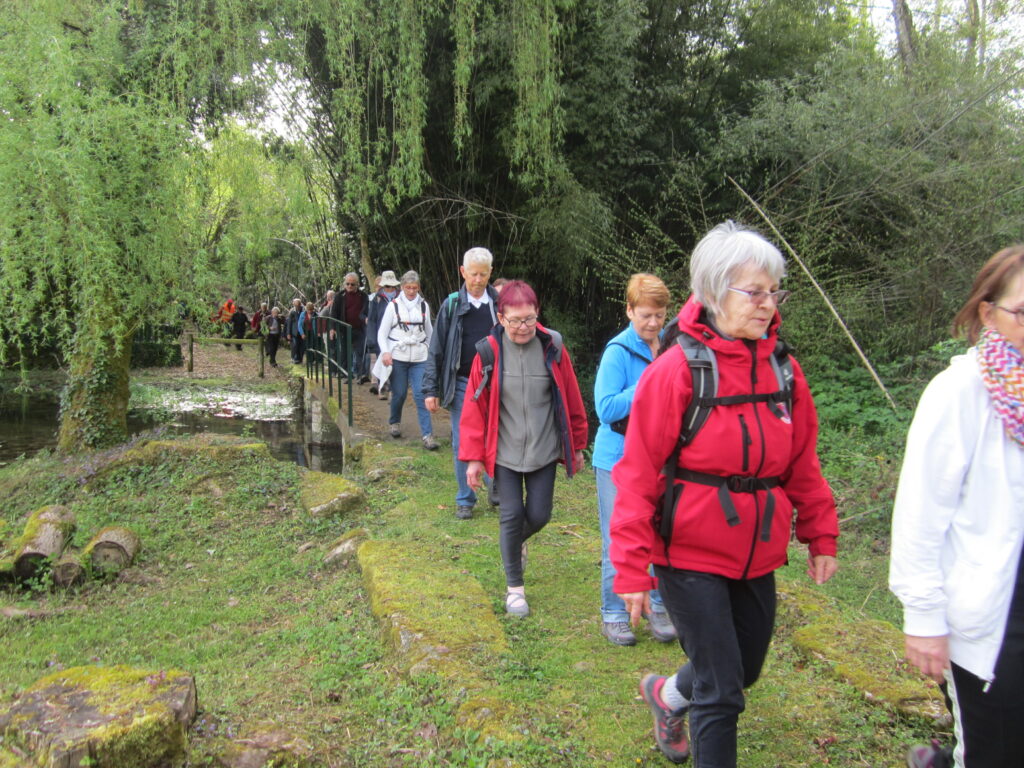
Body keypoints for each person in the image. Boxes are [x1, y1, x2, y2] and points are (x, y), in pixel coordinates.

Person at [610, 221, 838, 766]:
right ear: (713, 292)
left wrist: (819, 531)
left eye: (773, 291)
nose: (767, 304)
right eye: (753, 292)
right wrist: (631, 569)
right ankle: (689, 705)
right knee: (721, 690)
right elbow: (637, 473)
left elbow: (801, 460)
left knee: (745, 667)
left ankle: (666, 697)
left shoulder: (785, 369)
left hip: (755, 550)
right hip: (686, 552)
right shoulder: (676, 372)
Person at [890, 246, 1024, 768]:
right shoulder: (959, 393)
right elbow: (921, 513)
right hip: (995, 618)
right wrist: (922, 616)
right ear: (987, 313)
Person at [460, 280, 589, 617]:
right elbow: (474, 410)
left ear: (537, 315)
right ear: (501, 317)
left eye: (529, 319)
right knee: (511, 514)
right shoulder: (487, 352)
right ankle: (514, 589)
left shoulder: (553, 347)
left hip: (544, 449)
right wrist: (473, 459)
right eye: (515, 321)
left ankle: (513, 545)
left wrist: (576, 444)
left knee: (540, 514)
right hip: (503, 450)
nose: (523, 328)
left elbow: (572, 398)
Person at [593, 273, 677, 647]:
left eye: (659, 315)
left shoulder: (672, 349)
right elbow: (606, 408)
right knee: (618, 538)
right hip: (616, 459)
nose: (653, 323)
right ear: (629, 310)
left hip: (661, 460)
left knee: (661, 536)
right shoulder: (618, 352)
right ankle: (613, 614)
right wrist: (648, 385)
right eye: (645, 315)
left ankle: (658, 606)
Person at [423, 247, 500, 520]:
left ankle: (496, 489)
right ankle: (465, 499)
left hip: (495, 383)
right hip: (462, 383)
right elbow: (437, 348)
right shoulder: (452, 304)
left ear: (491, 273)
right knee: (462, 442)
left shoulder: (499, 304)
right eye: (473, 274)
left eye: (483, 274)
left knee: (497, 437)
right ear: (462, 272)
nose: (478, 280)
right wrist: (431, 389)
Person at [376, 270, 437, 450]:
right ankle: (394, 422)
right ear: (402, 287)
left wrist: (430, 351)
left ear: (418, 288)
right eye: (408, 287)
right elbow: (382, 333)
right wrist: (386, 352)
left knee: (421, 394)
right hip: (398, 356)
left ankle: (428, 435)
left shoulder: (424, 306)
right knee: (400, 393)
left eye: (415, 288)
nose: (411, 291)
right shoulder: (393, 306)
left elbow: (430, 332)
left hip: (419, 356)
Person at [330, 272, 369, 380]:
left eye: (352, 284)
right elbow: (334, 313)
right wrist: (332, 328)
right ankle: (345, 373)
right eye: (347, 284)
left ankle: (360, 374)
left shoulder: (363, 296)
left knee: (360, 351)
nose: (349, 286)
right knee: (345, 352)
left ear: (357, 284)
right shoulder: (339, 296)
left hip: (359, 328)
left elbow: (366, 310)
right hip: (344, 328)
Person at [367, 271, 400, 399]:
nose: (390, 289)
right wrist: (371, 338)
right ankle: (381, 388)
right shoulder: (377, 299)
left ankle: (392, 390)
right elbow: (372, 320)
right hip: (381, 336)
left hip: (397, 336)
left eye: (392, 286)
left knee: (395, 364)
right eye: (387, 286)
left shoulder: (401, 297)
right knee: (383, 362)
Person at [286, 298, 304, 364]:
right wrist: (288, 333)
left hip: (302, 332)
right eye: (296, 305)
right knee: (295, 345)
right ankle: (294, 358)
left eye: (298, 305)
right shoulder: (292, 312)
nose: (297, 306)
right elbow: (289, 323)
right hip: (294, 331)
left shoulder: (303, 311)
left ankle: (300, 359)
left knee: (301, 346)